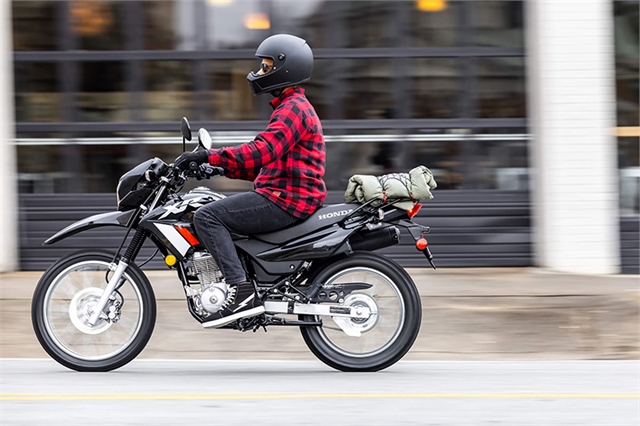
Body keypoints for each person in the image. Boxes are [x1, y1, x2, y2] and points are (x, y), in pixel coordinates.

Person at [174, 34, 326, 328]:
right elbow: (269, 164)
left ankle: (241, 292)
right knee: (213, 209)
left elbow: (262, 150)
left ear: (285, 69)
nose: (259, 73)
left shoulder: (293, 110)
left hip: (287, 199)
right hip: (286, 193)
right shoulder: (290, 107)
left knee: (206, 217)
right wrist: (217, 169)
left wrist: (209, 156)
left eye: (266, 67)